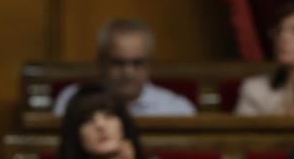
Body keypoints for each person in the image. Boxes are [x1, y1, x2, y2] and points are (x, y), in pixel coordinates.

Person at [52, 18, 195, 116]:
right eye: (118, 62)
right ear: (101, 62)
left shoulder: (176, 108)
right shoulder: (74, 100)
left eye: (137, 62)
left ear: (150, 63)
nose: (128, 72)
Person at [52, 85, 171, 159]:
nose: (100, 125)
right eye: (88, 120)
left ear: (123, 124)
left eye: (109, 115)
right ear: (76, 134)